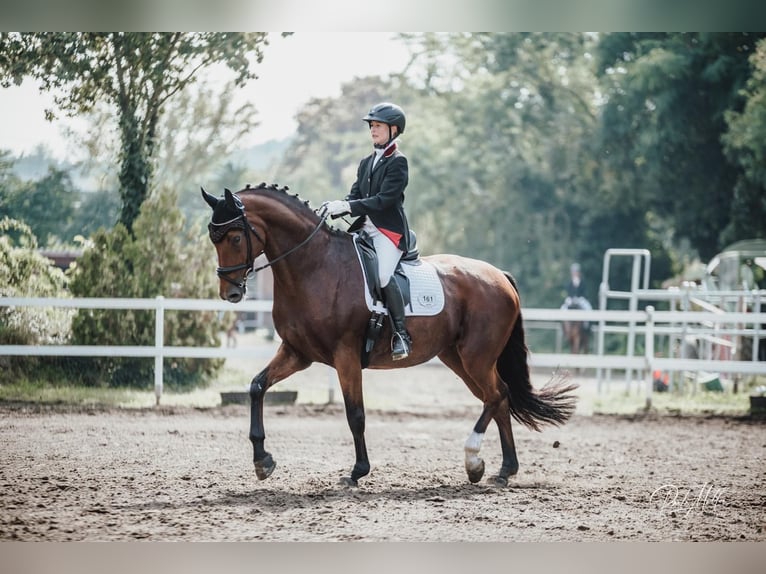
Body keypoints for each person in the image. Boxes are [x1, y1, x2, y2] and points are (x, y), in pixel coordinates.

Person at [319, 102, 412, 361]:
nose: (373, 129)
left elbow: (384, 200)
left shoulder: (398, 162)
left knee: (382, 275)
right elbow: (355, 195)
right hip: (364, 230)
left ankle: (402, 336)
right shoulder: (365, 162)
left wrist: (349, 205)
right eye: (371, 125)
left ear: (394, 129)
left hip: (388, 233)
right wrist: (337, 208)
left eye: (378, 125)